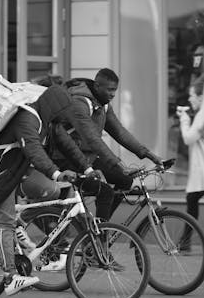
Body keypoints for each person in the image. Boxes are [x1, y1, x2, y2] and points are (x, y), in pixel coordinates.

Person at [0, 84, 109, 295]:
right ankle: (10, 277)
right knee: (5, 223)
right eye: (62, 112)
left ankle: (20, 225)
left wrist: (88, 168)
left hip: (16, 172)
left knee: (51, 191)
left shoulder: (48, 122)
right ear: (53, 107)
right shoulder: (27, 119)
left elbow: (68, 146)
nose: (65, 117)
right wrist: (56, 173)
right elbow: (34, 151)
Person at [52, 68, 163, 218]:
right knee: (105, 192)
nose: (113, 94)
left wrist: (149, 155)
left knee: (125, 180)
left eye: (115, 90)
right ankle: (100, 237)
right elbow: (92, 139)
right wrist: (118, 164)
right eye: (110, 90)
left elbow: (120, 132)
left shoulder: (103, 103)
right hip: (66, 157)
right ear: (97, 86)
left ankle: (102, 228)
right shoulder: (79, 102)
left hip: (87, 157)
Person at [176, 74, 204, 251]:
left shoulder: (202, 114)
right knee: (192, 200)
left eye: (192, 95)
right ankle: (185, 242)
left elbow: (188, 138)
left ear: (201, 96)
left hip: (201, 170)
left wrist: (184, 119)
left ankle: (185, 243)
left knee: (192, 200)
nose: (189, 98)